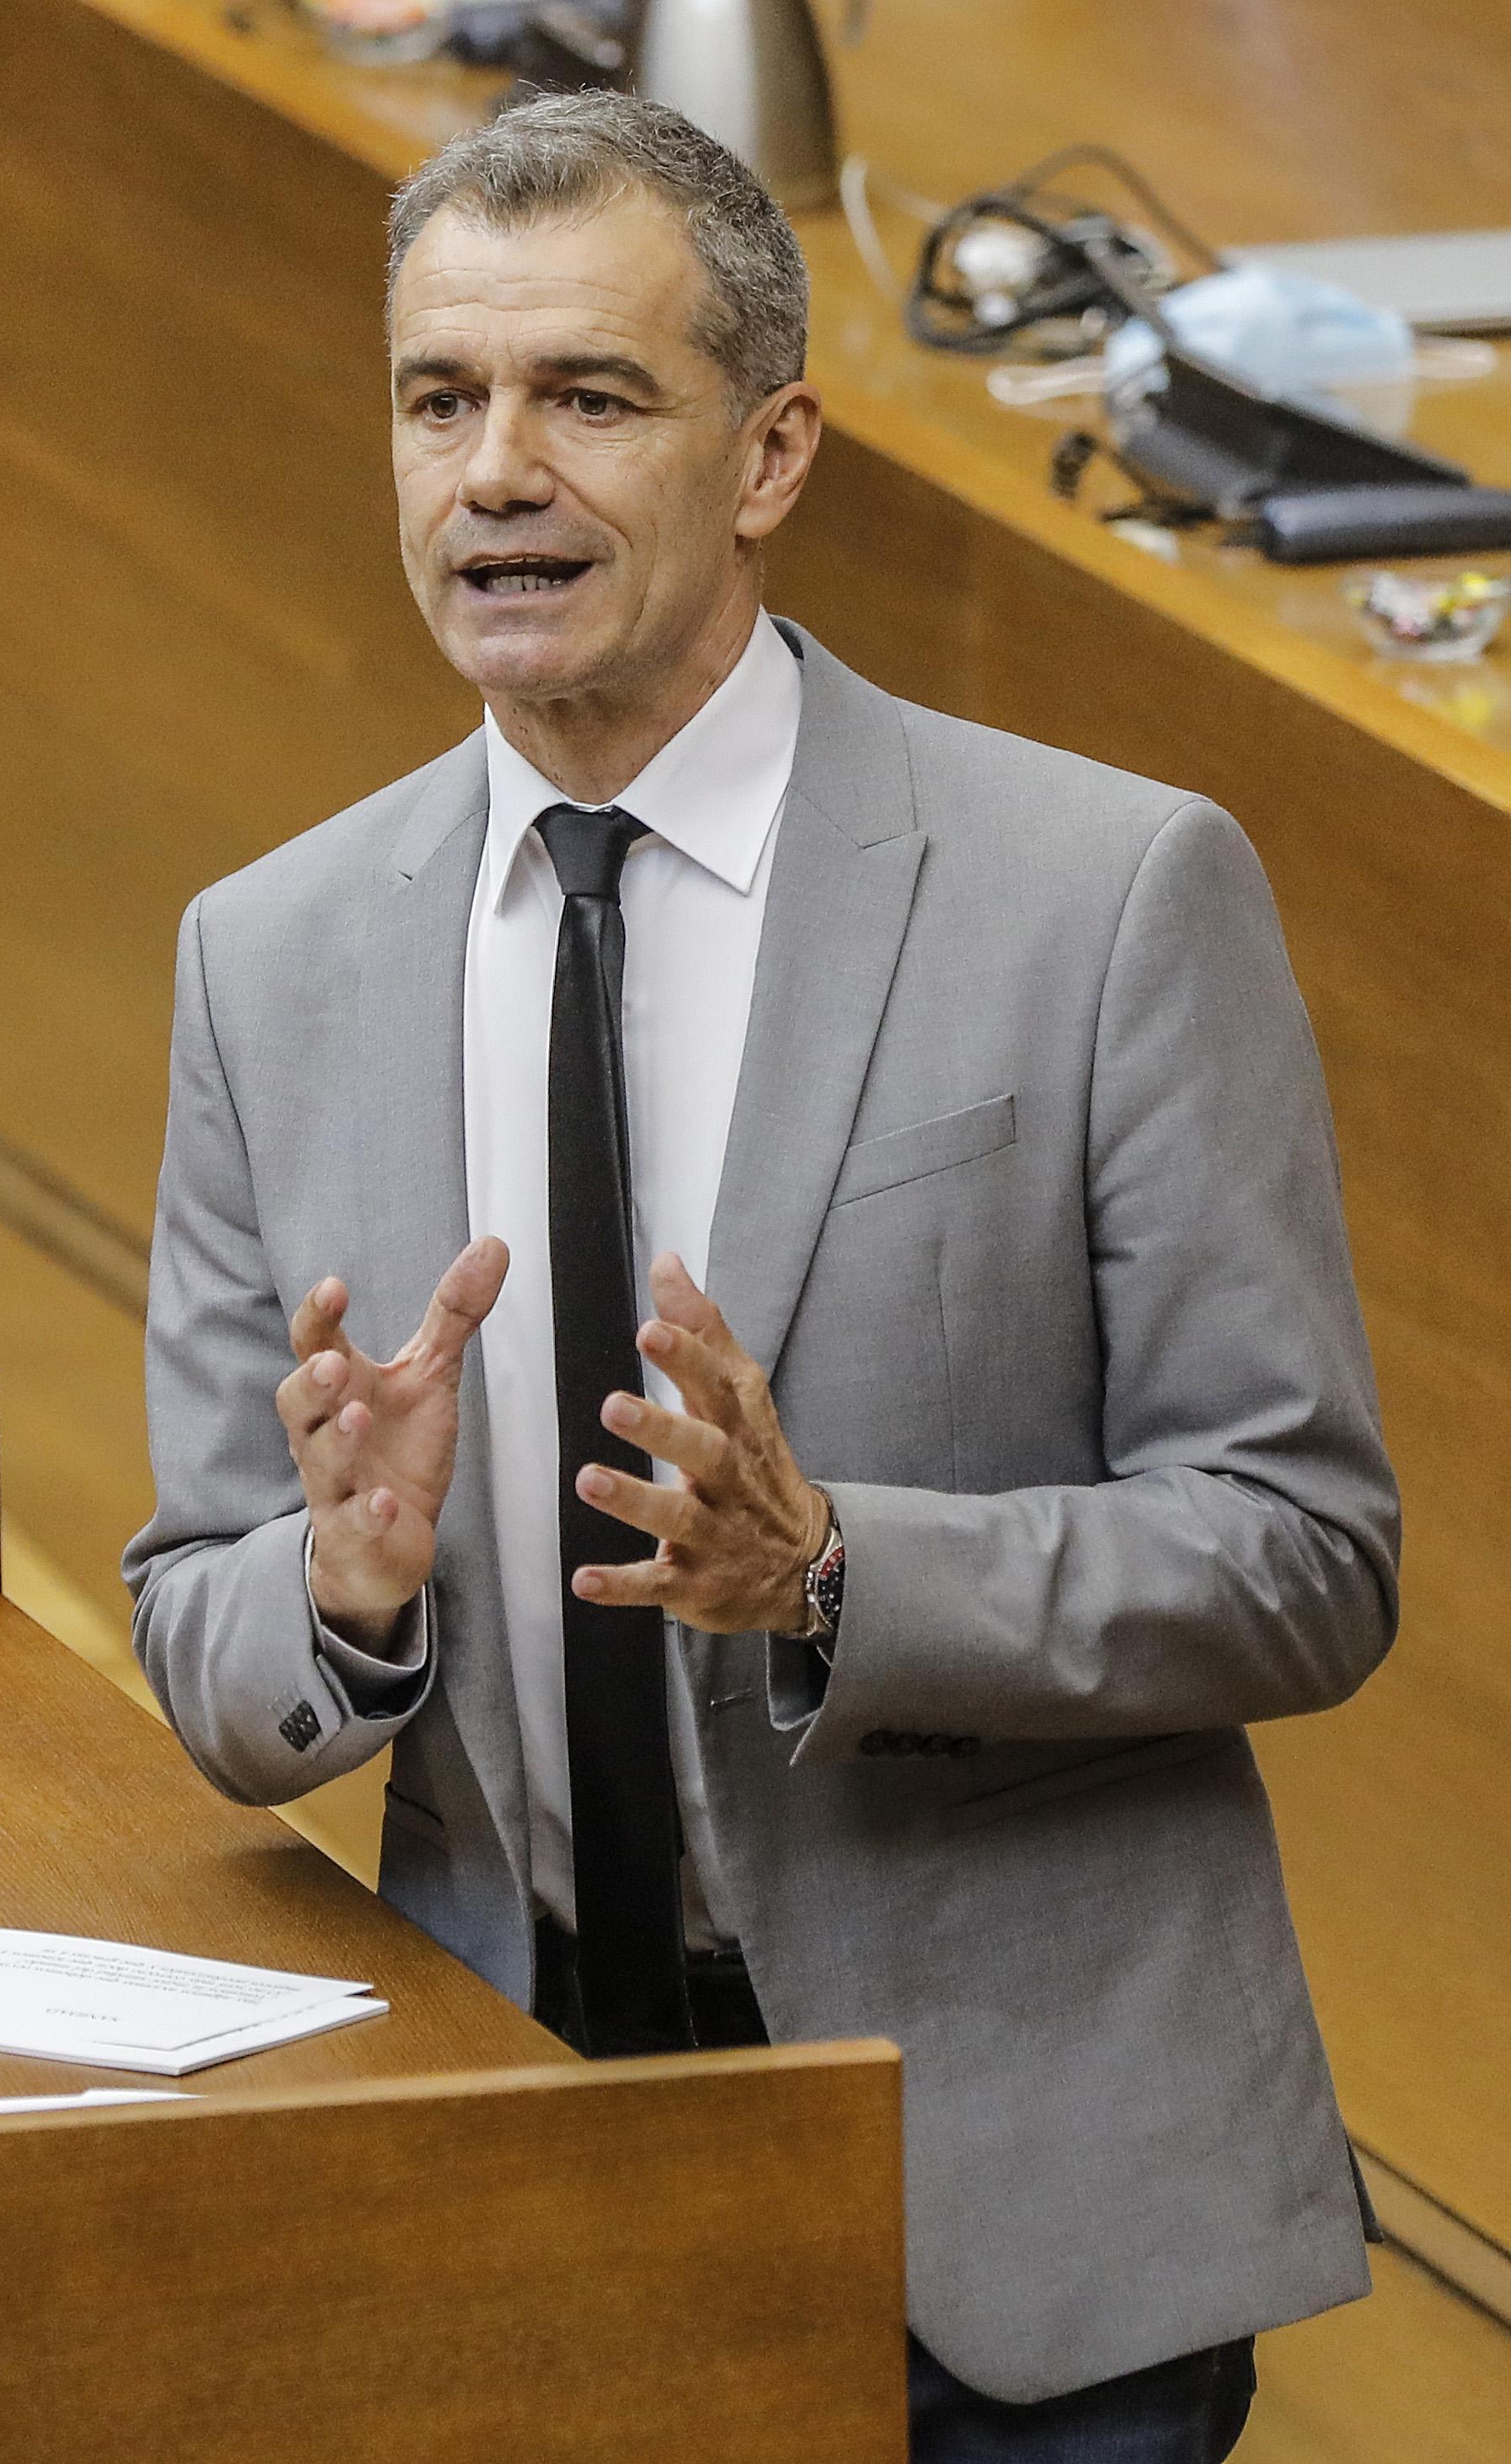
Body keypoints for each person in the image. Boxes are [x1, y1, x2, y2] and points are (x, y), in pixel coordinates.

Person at [124, 91, 1396, 2459]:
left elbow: (1309, 1557)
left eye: (588, 398)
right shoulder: (267, 959)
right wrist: (348, 1590)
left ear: (776, 448)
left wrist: (832, 1572)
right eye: (439, 399)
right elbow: (195, 1612)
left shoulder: (1107, 900)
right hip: (502, 2185)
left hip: (1003, 2221)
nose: (496, 470)